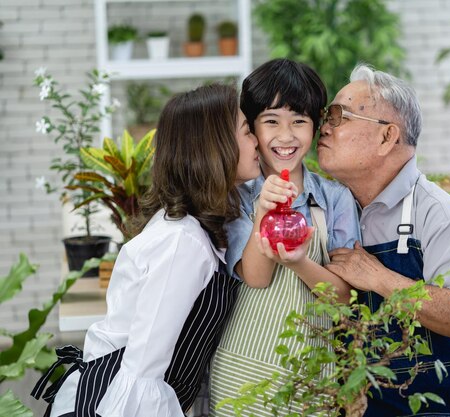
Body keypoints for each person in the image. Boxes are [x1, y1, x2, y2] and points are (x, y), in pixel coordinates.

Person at [31, 84, 261, 417]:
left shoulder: (191, 231)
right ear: (215, 147)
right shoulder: (183, 242)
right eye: (246, 131)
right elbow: (142, 370)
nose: (257, 140)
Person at [319, 64, 450, 417]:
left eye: (340, 115)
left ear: (387, 137)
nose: (326, 125)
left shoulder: (437, 213)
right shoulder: (333, 209)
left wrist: (380, 279)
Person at [208, 58, 360, 416]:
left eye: (299, 122)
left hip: (314, 378)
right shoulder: (239, 197)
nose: (286, 136)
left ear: (315, 126)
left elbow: (344, 298)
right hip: (242, 375)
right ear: (251, 128)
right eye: (271, 121)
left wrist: (299, 262)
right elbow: (256, 278)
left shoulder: (335, 198)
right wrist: (263, 211)